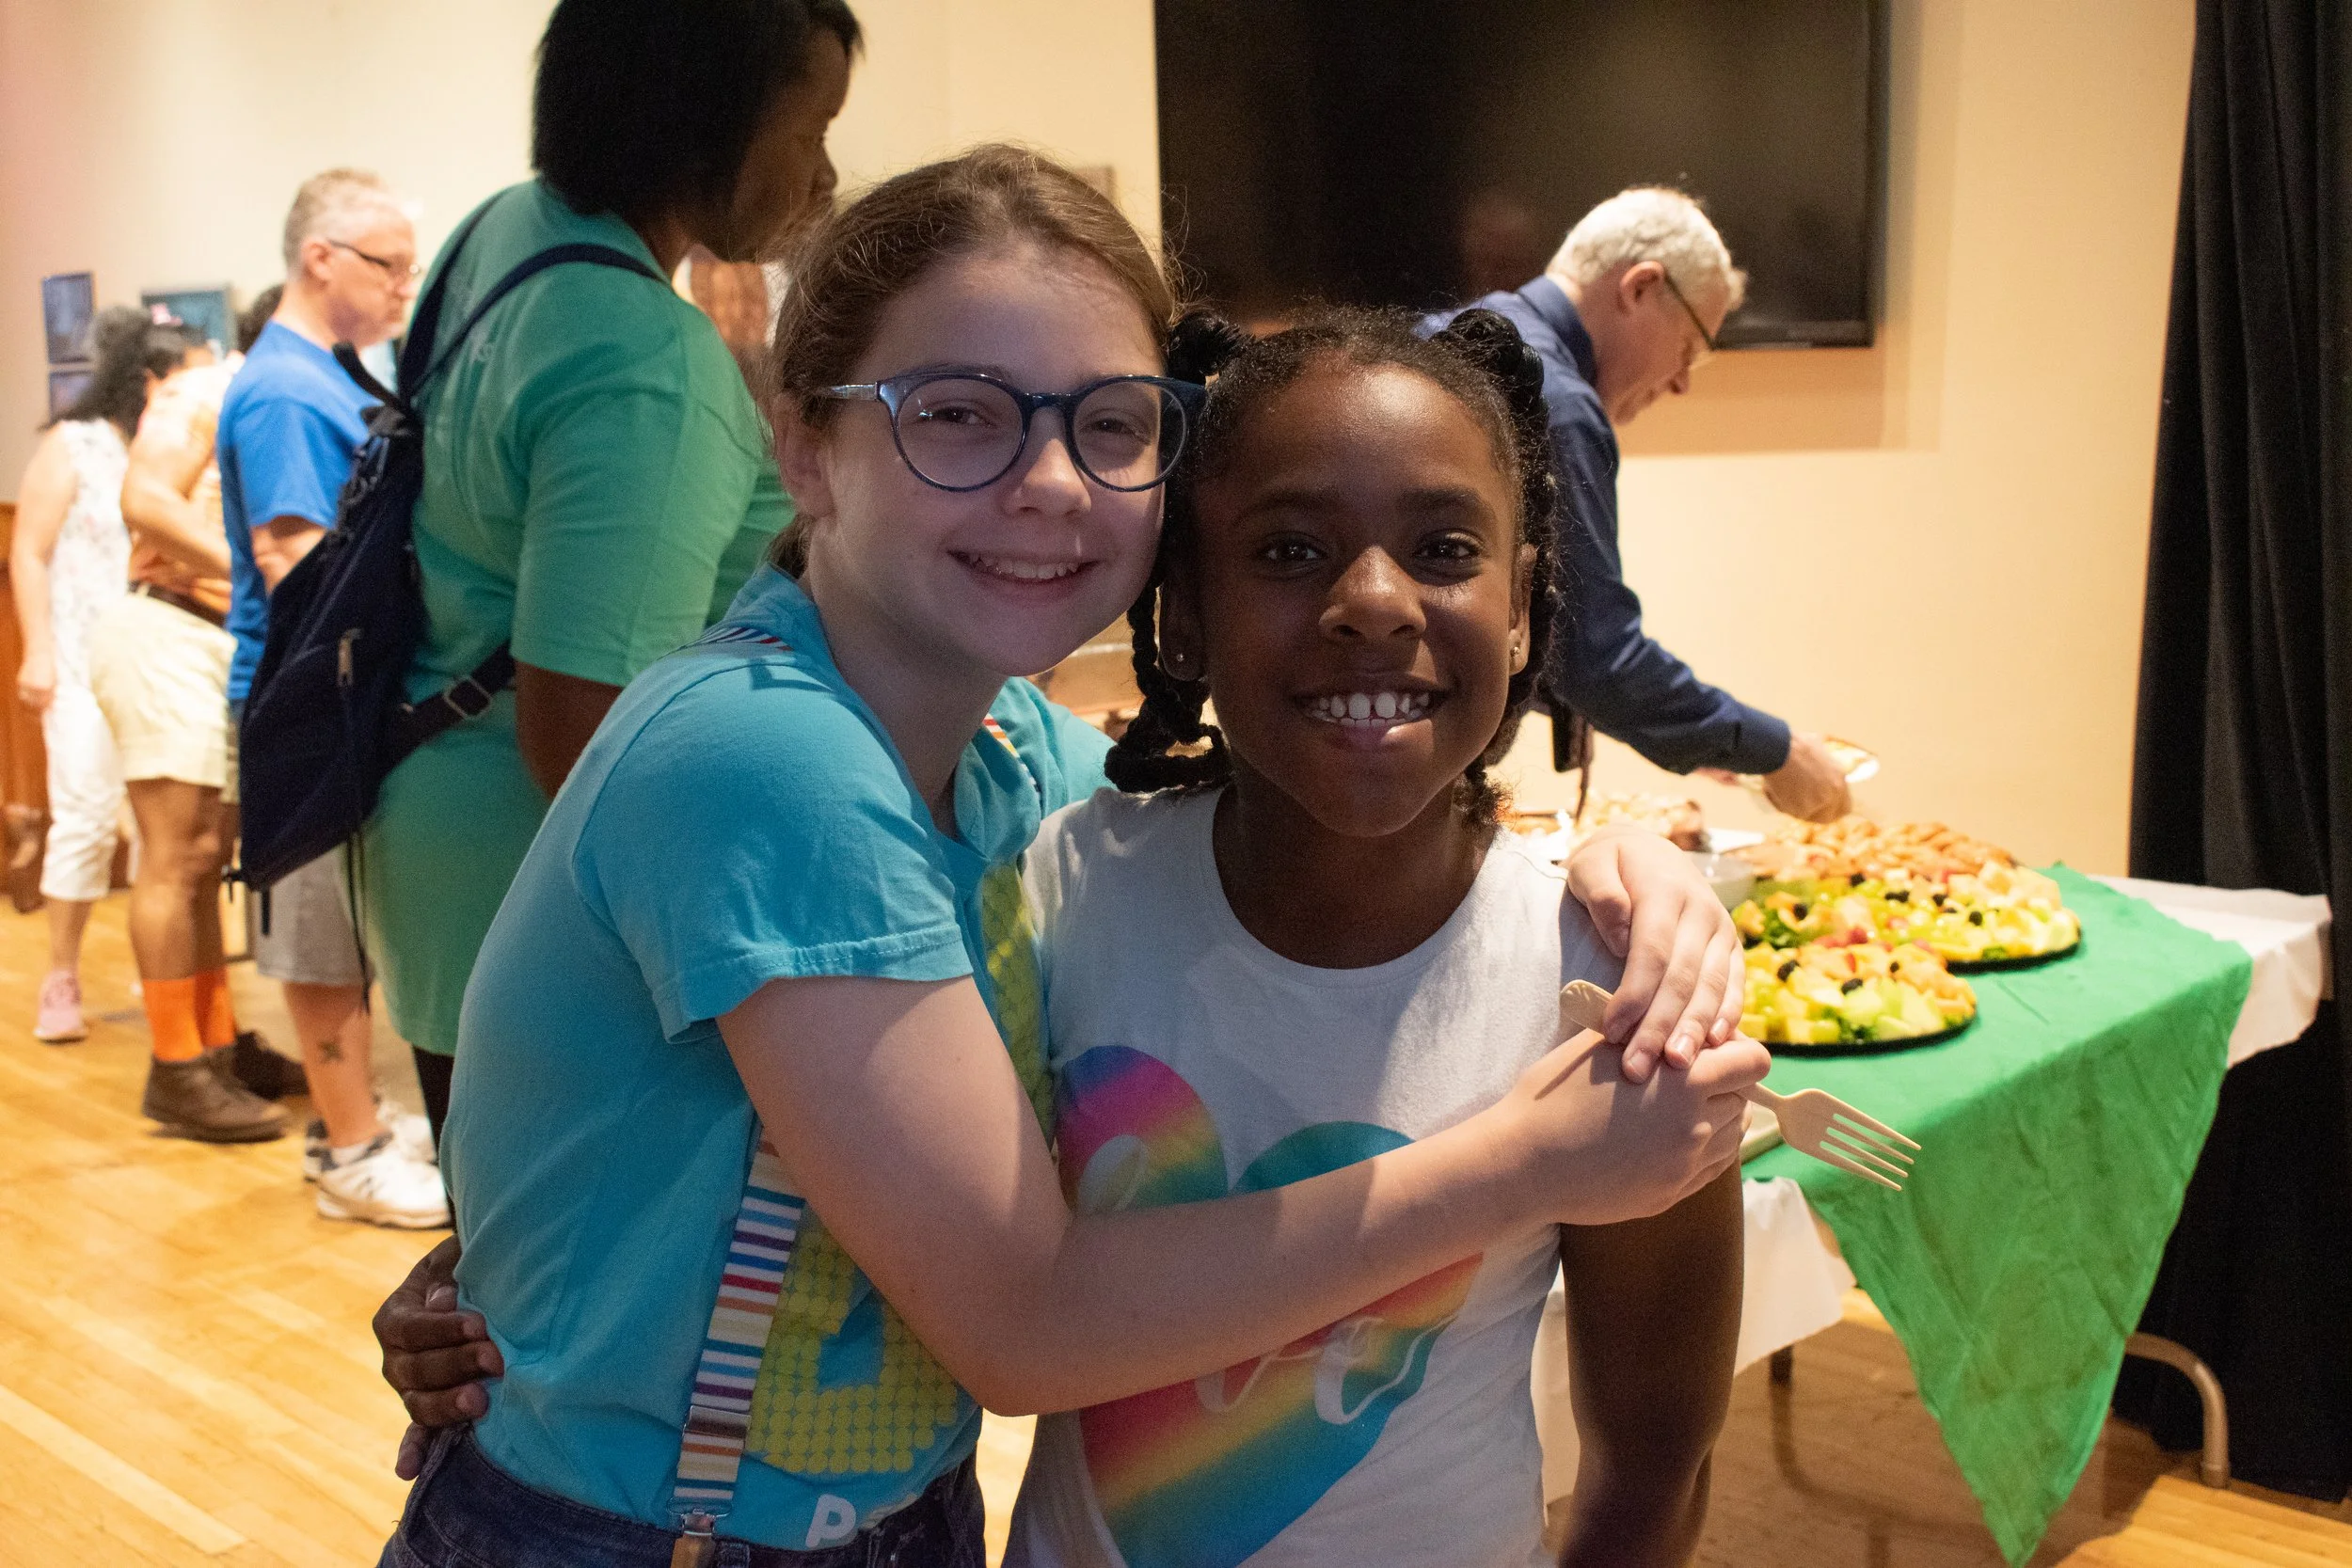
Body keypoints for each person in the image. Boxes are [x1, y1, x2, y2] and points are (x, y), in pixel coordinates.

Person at [367, 145, 1757, 1568]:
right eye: (957, 415)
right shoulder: (765, 753)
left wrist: (1627, 865)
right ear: (805, 448)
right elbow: (1025, 1320)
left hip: (897, 1519)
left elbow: (1307, 805)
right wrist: (1523, 1163)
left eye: (1108, 423)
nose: (1047, 480)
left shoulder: (1016, 766)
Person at [998, 308, 1745, 1568]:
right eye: (1289, 549)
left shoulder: (1610, 983)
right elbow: (1000, 1303)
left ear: (1522, 609)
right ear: (1182, 614)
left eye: (1444, 548)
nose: (1376, 602)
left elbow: (1655, 1457)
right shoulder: (1067, 892)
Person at [360, 0, 857, 1147]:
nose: (822, 173)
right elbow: (581, 728)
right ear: (704, 118)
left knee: (500, 1229)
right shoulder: (645, 358)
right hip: (549, 891)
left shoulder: (506, 230)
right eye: (811, 128)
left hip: (440, 830)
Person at [1431, 187, 1854, 822]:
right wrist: (1776, 751)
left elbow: (1513, 633)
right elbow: (1594, 658)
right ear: (1641, 287)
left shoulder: (1451, 336)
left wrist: (1691, 733)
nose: (1681, 383)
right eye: (1689, 348)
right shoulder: (1555, 402)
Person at [217, 168, 443, 1227]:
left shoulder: (327, 377)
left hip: (345, 699)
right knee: (317, 932)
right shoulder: (284, 391)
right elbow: (296, 563)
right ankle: (349, 1144)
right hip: (310, 706)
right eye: (388, 265)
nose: (404, 286)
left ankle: (358, 1118)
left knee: (347, 920)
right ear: (321, 259)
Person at [97, 321, 301, 1138]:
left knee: (206, 856)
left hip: (215, 639)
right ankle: (176, 1064)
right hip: (169, 629)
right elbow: (144, 501)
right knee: (175, 857)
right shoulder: (208, 390)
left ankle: (215, 1042)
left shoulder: (265, 400)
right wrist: (253, 572)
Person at [10, 309, 201, 1041]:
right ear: (145, 380)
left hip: (157, 656)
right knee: (86, 816)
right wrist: (38, 650)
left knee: (166, 830)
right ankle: (60, 975)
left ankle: (165, 978)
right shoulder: (76, 445)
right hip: (80, 656)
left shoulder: (174, 446)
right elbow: (29, 551)